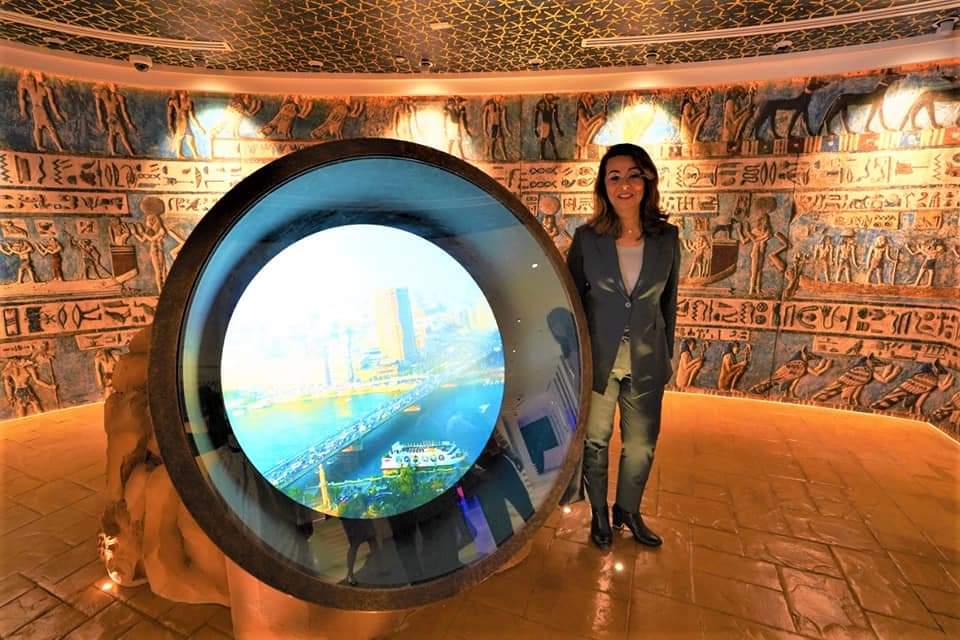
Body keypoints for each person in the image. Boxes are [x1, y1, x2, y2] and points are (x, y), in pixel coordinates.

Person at [566, 143, 680, 549]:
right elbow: (572, 301)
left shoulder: (667, 238)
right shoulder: (587, 239)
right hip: (599, 360)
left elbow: (669, 302)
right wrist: (573, 360)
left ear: (647, 180)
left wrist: (666, 355)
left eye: (633, 175)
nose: (624, 185)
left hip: (647, 360)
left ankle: (628, 510)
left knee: (641, 445)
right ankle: (599, 512)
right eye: (614, 177)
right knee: (595, 440)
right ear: (604, 186)